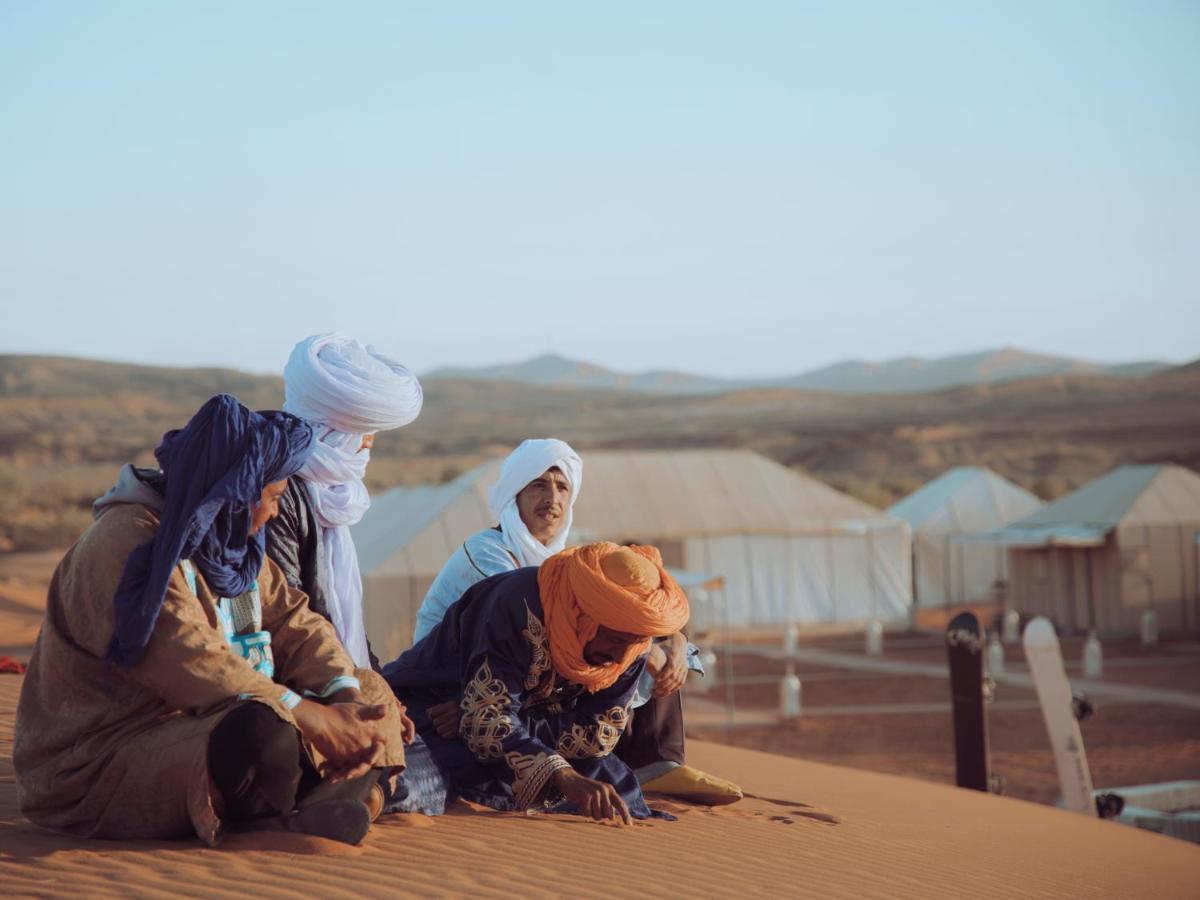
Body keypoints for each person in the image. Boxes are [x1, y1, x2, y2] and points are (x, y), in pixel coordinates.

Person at [14, 395, 411, 847]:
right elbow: (193, 663)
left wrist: (344, 700)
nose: (274, 513)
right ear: (237, 494)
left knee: (371, 693)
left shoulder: (231, 543)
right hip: (107, 757)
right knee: (261, 732)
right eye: (273, 496)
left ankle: (311, 807)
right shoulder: (128, 543)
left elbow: (295, 623)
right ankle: (340, 800)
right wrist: (317, 721)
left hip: (207, 721)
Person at [412, 438, 742, 805]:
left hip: (533, 681)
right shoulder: (489, 556)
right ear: (514, 495)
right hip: (460, 685)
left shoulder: (570, 561)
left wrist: (676, 643)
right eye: (538, 485)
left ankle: (658, 764)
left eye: (562, 487)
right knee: (629, 650)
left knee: (634, 645)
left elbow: (624, 616)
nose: (551, 498)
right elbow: (523, 627)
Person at [385, 542, 689, 822]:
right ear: (584, 618)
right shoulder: (514, 605)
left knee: (613, 784)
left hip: (498, 725)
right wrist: (562, 775)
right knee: (427, 779)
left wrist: (485, 719)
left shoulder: (632, 642)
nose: (620, 655)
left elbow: (599, 733)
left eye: (634, 643)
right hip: (433, 712)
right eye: (615, 640)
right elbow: (486, 721)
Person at [267, 333, 423, 669]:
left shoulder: (327, 492)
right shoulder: (277, 493)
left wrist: (374, 678)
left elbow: (341, 611)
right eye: (364, 430)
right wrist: (354, 693)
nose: (368, 444)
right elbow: (290, 613)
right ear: (333, 429)